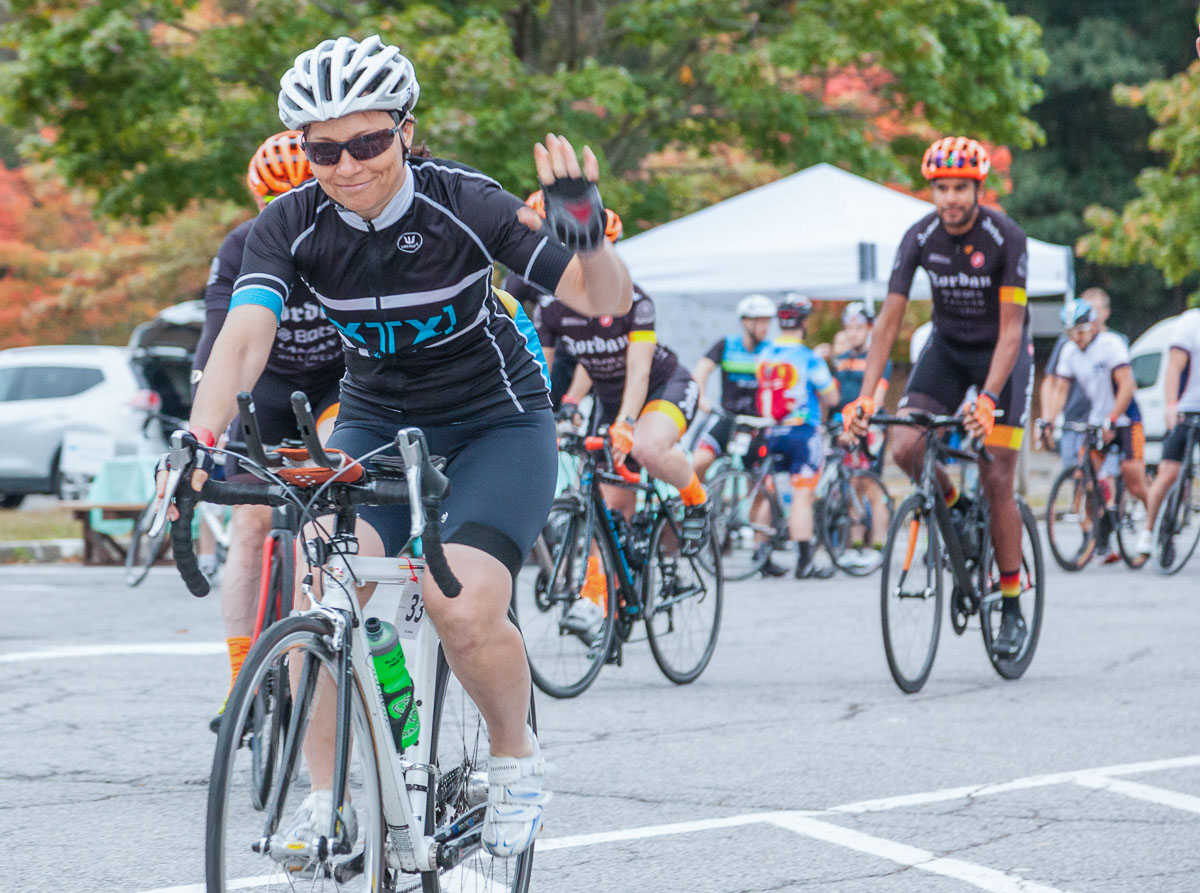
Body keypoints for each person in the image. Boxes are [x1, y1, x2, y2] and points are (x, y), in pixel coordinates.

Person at [162, 34, 633, 861]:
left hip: (495, 421)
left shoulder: (466, 201)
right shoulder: (289, 225)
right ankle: (325, 800)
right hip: (375, 419)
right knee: (324, 591)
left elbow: (605, 303)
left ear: (406, 132)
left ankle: (516, 757)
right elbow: (242, 340)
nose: (347, 165)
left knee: (461, 605)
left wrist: (589, 237)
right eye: (324, 150)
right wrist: (198, 440)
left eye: (369, 141)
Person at [845, 135, 1033, 657]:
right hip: (947, 351)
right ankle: (955, 504)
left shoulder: (1005, 237)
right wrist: (867, 396)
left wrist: (988, 398)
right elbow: (888, 323)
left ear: (978, 189)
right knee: (905, 446)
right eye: (941, 188)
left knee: (998, 474)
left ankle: (1011, 603)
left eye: (960, 188)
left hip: (1001, 355)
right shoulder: (919, 237)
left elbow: (1012, 330)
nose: (950, 198)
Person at [193, 130, 346, 733]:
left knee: (319, 523)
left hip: (338, 384)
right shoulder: (242, 245)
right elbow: (216, 337)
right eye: (273, 202)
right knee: (250, 526)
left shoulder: (348, 237)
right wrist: (200, 433)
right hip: (267, 387)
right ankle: (243, 680)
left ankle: (311, 658)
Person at [533, 209, 706, 627]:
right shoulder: (551, 307)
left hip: (662, 387)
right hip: (609, 398)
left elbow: (639, 371)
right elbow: (542, 372)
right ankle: (604, 598)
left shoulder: (635, 301)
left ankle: (697, 499)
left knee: (646, 447)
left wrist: (626, 424)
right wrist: (545, 417)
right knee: (608, 511)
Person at [1038, 299, 1149, 563]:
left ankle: (1154, 524)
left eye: (1081, 330)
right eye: (1071, 332)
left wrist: (1113, 417)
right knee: (1084, 474)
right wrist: (1049, 420)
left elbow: (1126, 385)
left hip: (1125, 418)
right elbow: (1060, 389)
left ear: (1093, 325)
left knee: (1133, 480)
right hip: (1097, 418)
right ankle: (1096, 530)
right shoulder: (1069, 351)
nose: (1076, 337)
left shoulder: (1111, 345)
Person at [690, 294, 783, 576]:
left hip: (757, 425)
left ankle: (762, 551)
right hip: (728, 419)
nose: (765, 327)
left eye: (768, 321)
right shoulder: (726, 345)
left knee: (762, 487)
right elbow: (701, 371)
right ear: (745, 322)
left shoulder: (772, 351)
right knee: (697, 462)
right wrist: (701, 397)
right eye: (760, 321)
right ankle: (696, 512)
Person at [756, 295, 840, 579]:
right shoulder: (809, 357)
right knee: (802, 497)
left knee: (770, 495)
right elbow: (832, 396)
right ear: (803, 323)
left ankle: (762, 556)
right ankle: (805, 562)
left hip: (772, 432)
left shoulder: (765, 355)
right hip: (802, 432)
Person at [830, 301, 891, 565]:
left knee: (871, 486)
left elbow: (878, 396)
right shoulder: (841, 360)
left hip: (871, 427)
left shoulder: (878, 359)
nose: (853, 333)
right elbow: (835, 398)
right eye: (849, 328)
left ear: (869, 328)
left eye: (859, 328)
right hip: (848, 428)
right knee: (853, 486)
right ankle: (855, 546)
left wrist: (859, 425)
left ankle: (879, 546)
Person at [1136, 307, 1200, 556]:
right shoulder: (1191, 323)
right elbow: (1173, 367)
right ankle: (1149, 529)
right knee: (1167, 473)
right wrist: (1171, 406)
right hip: (1188, 408)